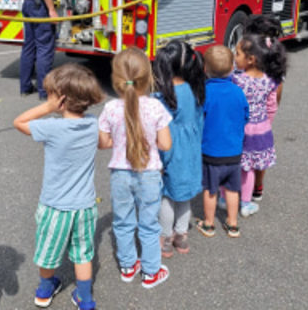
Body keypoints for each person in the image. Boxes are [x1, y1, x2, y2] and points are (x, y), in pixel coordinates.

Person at [14, 64, 104, 309]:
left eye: (51, 95)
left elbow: (19, 122)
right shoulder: (93, 124)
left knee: (48, 251)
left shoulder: (52, 127)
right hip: (85, 206)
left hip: (55, 206)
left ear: (61, 100)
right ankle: (84, 298)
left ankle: (45, 289)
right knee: (84, 254)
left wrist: (47, 108)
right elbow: (105, 143)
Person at [98, 48, 172, 289]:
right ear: (148, 77)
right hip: (149, 174)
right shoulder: (156, 108)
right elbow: (165, 144)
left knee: (122, 222)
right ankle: (151, 272)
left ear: (117, 79)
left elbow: (104, 143)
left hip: (119, 175)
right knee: (150, 224)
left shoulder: (110, 109)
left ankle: (128, 266)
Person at [152, 41, 205, 257]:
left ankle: (164, 238)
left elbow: (160, 133)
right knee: (184, 197)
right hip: (191, 152)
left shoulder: (162, 96)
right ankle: (181, 236)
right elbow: (199, 123)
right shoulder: (197, 91)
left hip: (170, 151)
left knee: (167, 196)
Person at [228, 34, 287, 217]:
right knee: (250, 167)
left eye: (237, 54)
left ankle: (225, 198)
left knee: (235, 163)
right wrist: (266, 124)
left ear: (251, 59)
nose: (234, 57)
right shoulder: (270, 81)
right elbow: (272, 106)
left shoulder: (236, 80)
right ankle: (246, 203)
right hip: (261, 129)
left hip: (241, 128)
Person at [197, 46, 248, 238]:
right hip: (234, 151)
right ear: (232, 68)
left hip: (211, 151)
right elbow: (245, 116)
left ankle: (209, 224)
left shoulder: (205, 93)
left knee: (211, 190)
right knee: (233, 189)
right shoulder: (238, 92)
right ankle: (233, 224)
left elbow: (199, 118)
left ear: (206, 69)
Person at [244, 15, 287, 201]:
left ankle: (243, 185)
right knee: (261, 149)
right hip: (265, 117)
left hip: (248, 115)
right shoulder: (276, 57)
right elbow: (278, 93)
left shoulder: (248, 59)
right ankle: (257, 187)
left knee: (245, 149)